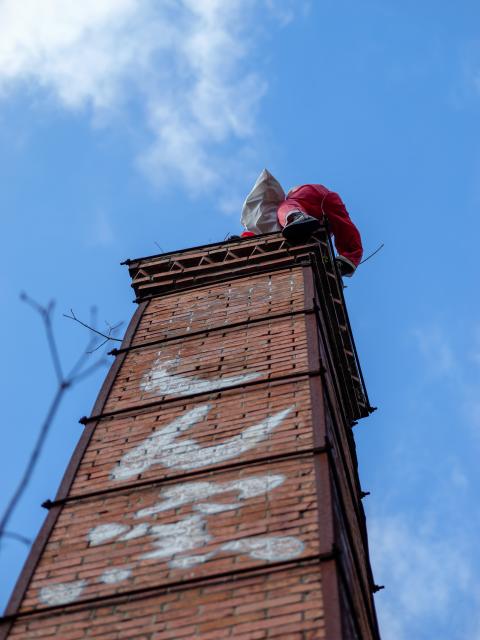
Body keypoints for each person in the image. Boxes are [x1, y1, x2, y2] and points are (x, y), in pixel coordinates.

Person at [239, 183, 362, 277]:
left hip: (303, 197)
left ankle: (296, 216)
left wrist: (243, 240)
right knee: (343, 223)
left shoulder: (274, 216)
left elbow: (258, 233)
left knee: (286, 206)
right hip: (324, 206)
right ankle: (348, 259)